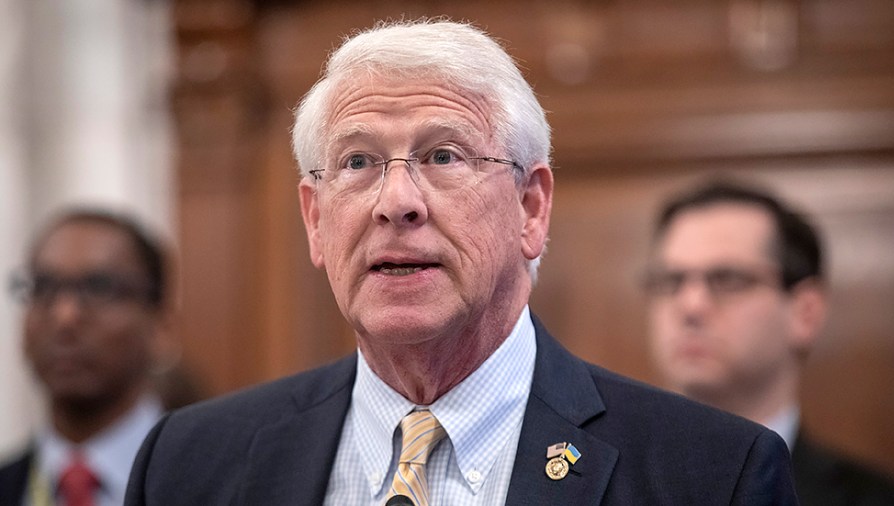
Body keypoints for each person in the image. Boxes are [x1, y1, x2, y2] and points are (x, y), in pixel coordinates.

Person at [125, 20, 797, 505]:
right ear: (315, 219)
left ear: (531, 208)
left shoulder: (714, 474)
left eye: (443, 156)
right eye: (358, 163)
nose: (396, 203)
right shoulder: (187, 464)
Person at [645, 180, 894, 505]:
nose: (690, 306)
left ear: (805, 313)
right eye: (672, 281)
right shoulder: (589, 483)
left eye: (728, 279)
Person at [0, 209, 171, 506]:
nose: (64, 316)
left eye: (99, 287)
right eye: (43, 287)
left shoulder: (217, 483)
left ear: (161, 327)